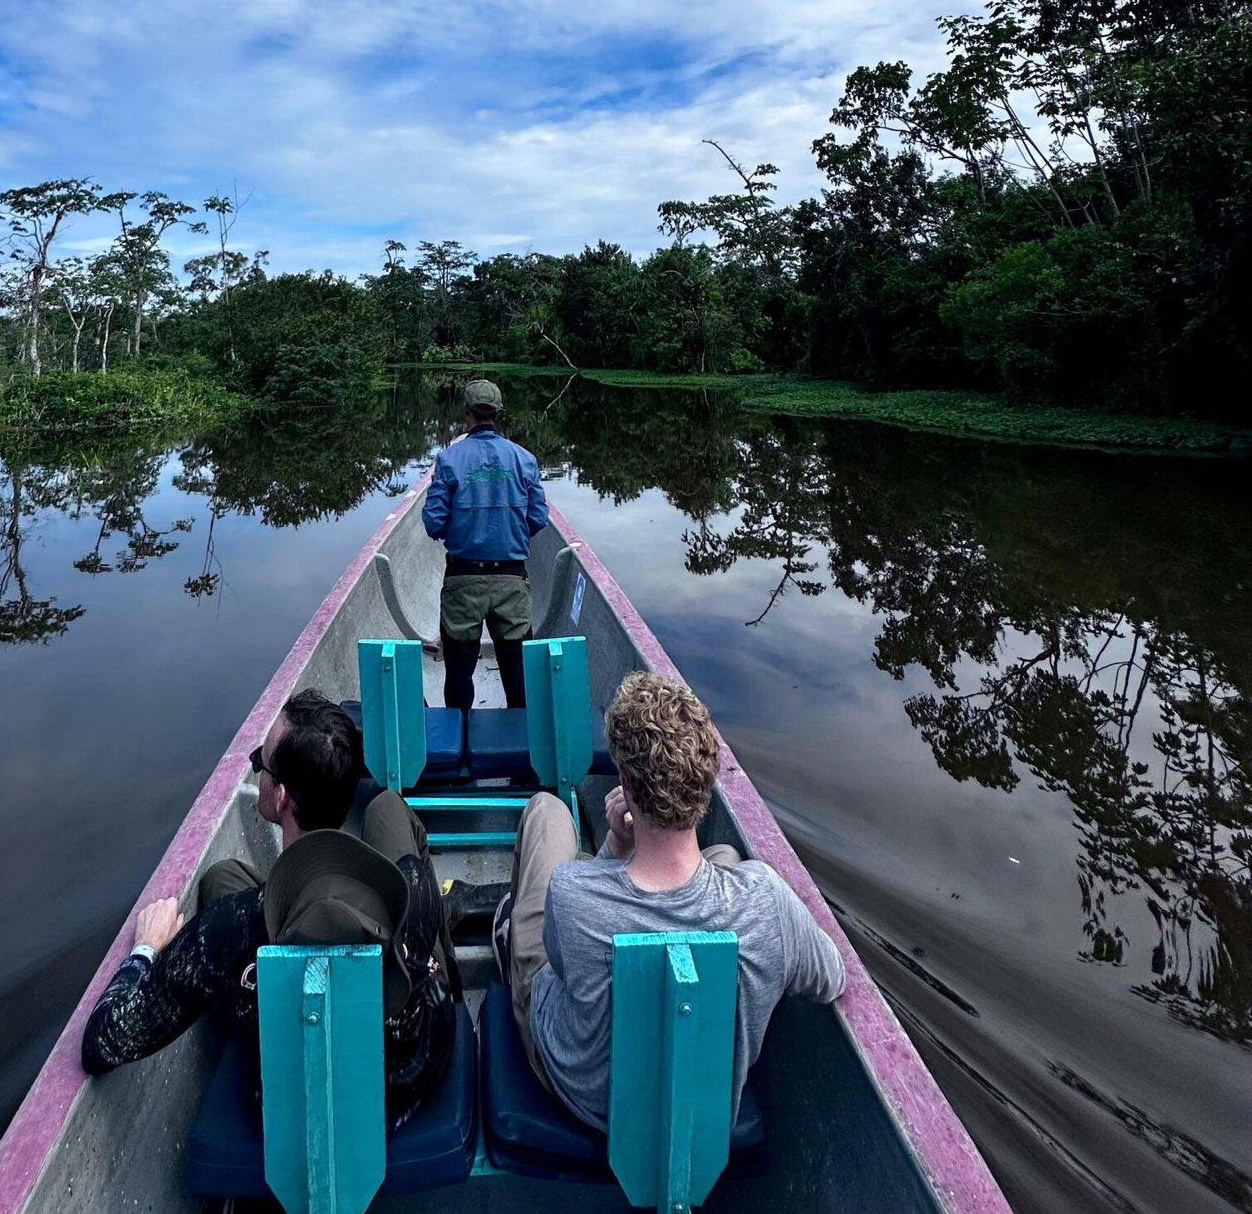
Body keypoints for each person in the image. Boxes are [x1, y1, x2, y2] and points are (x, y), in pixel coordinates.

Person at [82, 689, 457, 1122]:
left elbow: (102, 1043)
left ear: (280, 797)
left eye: (261, 762)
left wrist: (146, 948)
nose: (256, 766)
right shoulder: (414, 887)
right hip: (416, 1066)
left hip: (301, 1105)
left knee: (221, 884)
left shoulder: (228, 930)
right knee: (386, 808)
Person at [496, 671, 844, 1130]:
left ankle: (507, 930)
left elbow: (559, 970)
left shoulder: (572, 893)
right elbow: (831, 978)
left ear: (625, 784)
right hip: (702, 1117)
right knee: (725, 857)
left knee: (548, 814)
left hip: (584, 1099)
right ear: (703, 787)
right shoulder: (767, 900)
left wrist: (614, 851)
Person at [421, 377, 548, 710]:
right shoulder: (525, 459)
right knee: (518, 675)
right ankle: (519, 744)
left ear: (466, 413)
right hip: (512, 584)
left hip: (463, 581)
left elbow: (433, 523)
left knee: (459, 674)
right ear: (498, 413)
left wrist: (464, 530)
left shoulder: (448, 460)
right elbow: (538, 519)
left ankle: (459, 738)